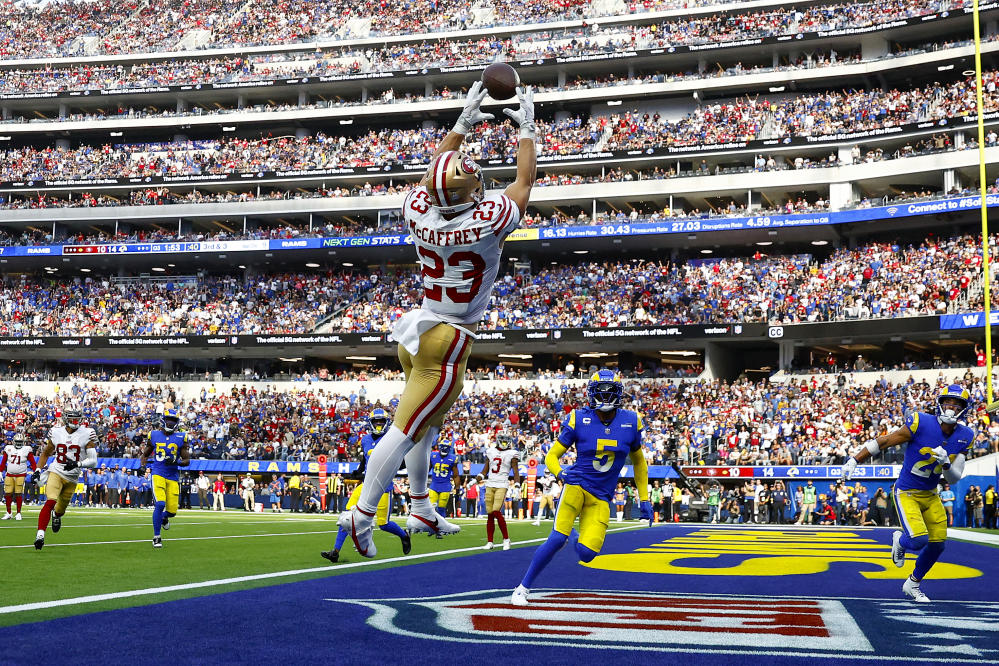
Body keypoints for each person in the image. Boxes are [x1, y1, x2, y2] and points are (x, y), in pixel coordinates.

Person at [338, 80, 536, 557]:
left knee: (425, 426)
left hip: (416, 331)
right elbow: (524, 181)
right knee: (405, 429)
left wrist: (461, 125)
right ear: (475, 193)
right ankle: (361, 516)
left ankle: (422, 504)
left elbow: (433, 177)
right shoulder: (487, 218)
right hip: (447, 338)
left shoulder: (416, 210)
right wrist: (527, 127)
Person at [512, 370, 652, 606]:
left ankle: (573, 535)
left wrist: (645, 498)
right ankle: (522, 588)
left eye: (610, 393)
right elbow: (552, 456)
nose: (605, 397)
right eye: (601, 392)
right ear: (591, 393)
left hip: (601, 496)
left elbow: (639, 462)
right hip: (576, 485)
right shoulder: (578, 417)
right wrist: (560, 474)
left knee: (587, 555)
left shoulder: (631, 421)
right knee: (557, 539)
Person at [842, 384, 975, 602]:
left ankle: (913, 584)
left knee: (938, 544)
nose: (951, 408)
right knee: (918, 539)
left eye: (956, 404)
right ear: (939, 404)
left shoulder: (965, 435)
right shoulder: (921, 422)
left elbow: (953, 478)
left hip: (931, 493)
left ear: (964, 409)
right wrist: (855, 459)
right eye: (947, 403)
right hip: (907, 491)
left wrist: (946, 465)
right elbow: (885, 440)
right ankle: (900, 541)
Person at [322, 409, 411, 563]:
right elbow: (366, 457)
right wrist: (359, 470)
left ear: (386, 423)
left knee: (384, 524)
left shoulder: (391, 439)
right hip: (366, 484)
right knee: (347, 518)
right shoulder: (365, 439)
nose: (378, 424)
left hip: (384, 486)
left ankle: (404, 536)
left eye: (381, 421)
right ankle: (335, 551)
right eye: (376, 421)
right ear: (370, 423)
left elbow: (401, 461)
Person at [34, 408, 100, 550]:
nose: (75, 422)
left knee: (60, 510)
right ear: (65, 419)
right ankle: (40, 535)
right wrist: (38, 470)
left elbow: (94, 461)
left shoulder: (87, 433)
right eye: (72, 419)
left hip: (72, 476)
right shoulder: (56, 432)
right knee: (50, 500)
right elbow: (46, 453)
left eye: (77, 419)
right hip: (56, 471)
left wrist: (78, 464)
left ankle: (56, 516)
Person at [139, 408, 191, 548]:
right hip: (158, 473)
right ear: (163, 419)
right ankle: (156, 537)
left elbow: (187, 461)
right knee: (160, 504)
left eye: (173, 420)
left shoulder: (182, 437)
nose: (170, 422)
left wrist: (177, 462)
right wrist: (143, 466)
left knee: (172, 511)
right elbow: (145, 454)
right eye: (169, 419)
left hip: (173, 476)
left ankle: (163, 518)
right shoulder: (154, 435)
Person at [480, 431, 520, 550]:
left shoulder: (512, 453)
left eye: (506, 441)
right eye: (502, 440)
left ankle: (506, 539)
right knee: (490, 514)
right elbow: (484, 471)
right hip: (490, 483)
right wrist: (475, 480)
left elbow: (515, 471)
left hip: (502, 484)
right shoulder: (490, 451)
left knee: (496, 511)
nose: (504, 443)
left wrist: (517, 486)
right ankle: (490, 542)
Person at [2, 431, 36, 520]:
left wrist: (36, 471)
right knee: (8, 493)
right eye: (17, 442)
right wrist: (0, 470)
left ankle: (18, 513)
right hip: (9, 474)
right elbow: (4, 461)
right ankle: (9, 512)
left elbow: (32, 462)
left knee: (18, 493)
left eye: (20, 442)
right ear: (13, 441)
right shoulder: (8, 448)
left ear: (23, 442)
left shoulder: (26, 449)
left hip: (20, 475)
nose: (18, 444)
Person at [428, 438, 460, 519]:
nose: (444, 449)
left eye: (446, 447)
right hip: (434, 485)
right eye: (443, 446)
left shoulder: (452, 458)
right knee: (431, 508)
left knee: (441, 508)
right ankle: (432, 525)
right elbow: (426, 470)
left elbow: (456, 475)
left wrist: (457, 488)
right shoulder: (433, 455)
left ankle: (442, 526)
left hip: (445, 486)